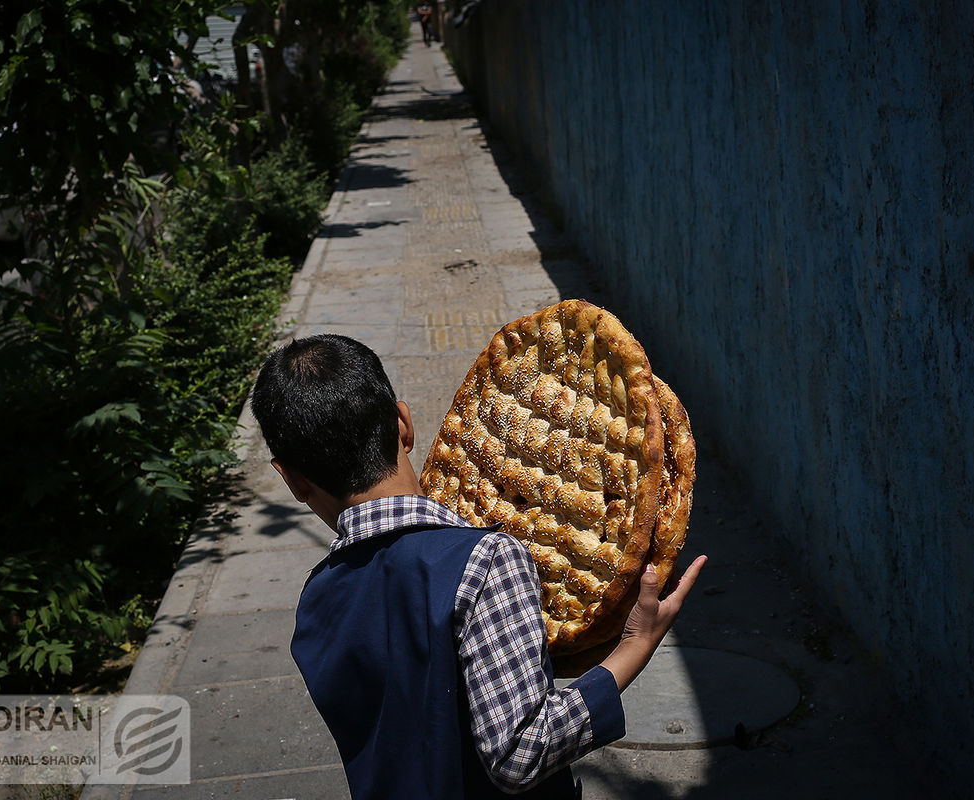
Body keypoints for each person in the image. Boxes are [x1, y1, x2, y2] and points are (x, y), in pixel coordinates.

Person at [250, 334, 706, 798]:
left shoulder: (316, 600)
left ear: (292, 480)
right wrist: (633, 646)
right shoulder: (486, 560)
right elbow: (519, 755)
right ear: (403, 424)